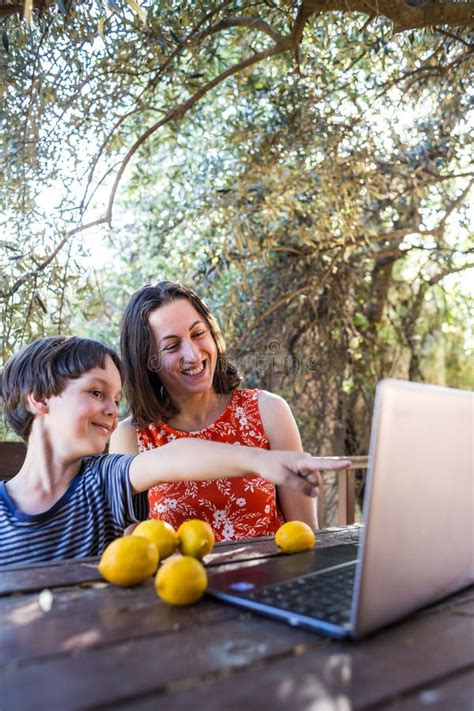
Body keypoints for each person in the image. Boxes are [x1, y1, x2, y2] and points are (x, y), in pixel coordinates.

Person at [0, 336, 349, 567]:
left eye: (116, 399)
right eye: (96, 392)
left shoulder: (103, 481)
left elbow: (174, 457)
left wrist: (261, 460)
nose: (112, 409)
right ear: (40, 398)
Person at [110, 282, 327, 541]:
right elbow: (130, 549)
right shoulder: (131, 436)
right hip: (181, 579)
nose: (192, 354)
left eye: (198, 333)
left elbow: (305, 532)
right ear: (147, 362)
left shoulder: (269, 410)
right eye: (171, 346)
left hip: (271, 578)